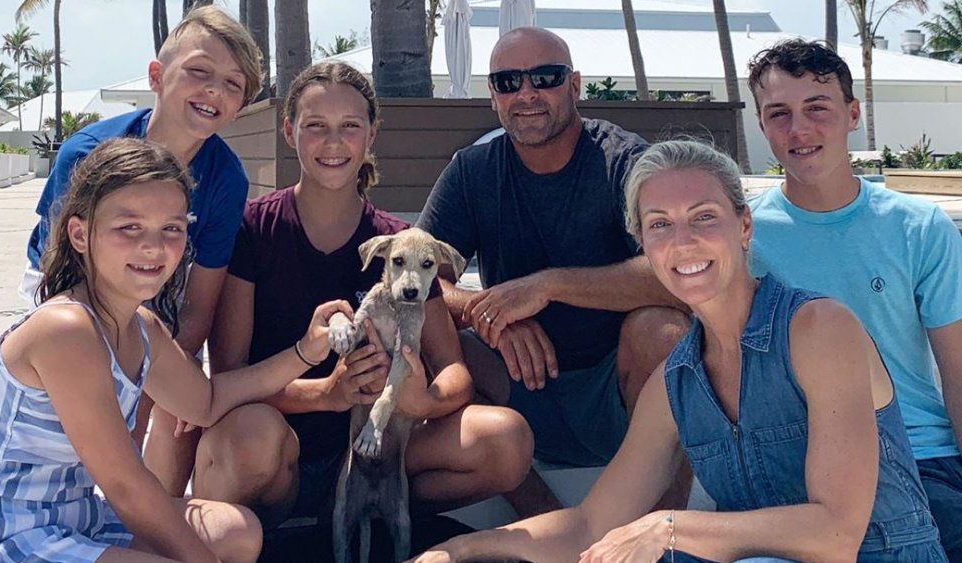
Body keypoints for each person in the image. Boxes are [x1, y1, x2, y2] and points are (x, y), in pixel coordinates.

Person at [409, 139, 948, 563]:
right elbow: (591, 524)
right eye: (660, 225)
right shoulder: (679, 379)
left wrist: (666, 527)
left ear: (744, 227)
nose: (683, 241)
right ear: (641, 243)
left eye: (704, 216)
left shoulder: (818, 329)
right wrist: (462, 549)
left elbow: (835, 535)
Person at [0, 138, 353, 562]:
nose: (153, 246)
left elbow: (206, 403)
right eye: (129, 227)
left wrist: (304, 352)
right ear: (80, 233)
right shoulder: (66, 329)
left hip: (79, 514)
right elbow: (125, 484)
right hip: (4, 528)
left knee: (239, 532)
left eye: (171, 228)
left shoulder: (142, 326)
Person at [176, 61, 533, 526]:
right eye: (315, 126)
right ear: (289, 131)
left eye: (349, 126)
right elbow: (229, 376)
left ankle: (363, 516)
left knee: (507, 441)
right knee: (248, 437)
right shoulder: (253, 229)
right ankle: (238, 542)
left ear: (371, 133)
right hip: (281, 455)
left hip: (380, 451)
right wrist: (327, 393)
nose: (333, 143)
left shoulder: (402, 245)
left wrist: (422, 401)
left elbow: (454, 372)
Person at [415, 26, 690, 506]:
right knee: (447, 340)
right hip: (518, 385)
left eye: (545, 77)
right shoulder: (472, 171)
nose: (527, 94)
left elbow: (678, 273)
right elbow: (419, 281)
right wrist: (494, 316)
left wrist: (548, 286)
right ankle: (546, 527)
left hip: (616, 389)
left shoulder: (623, 162)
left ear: (575, 85)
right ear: (493, 98)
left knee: (663, 331)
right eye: (508, 82)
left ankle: (664, 537)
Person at [19, 5, 264, 488]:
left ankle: (156, 517)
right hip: (67, 300)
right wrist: (114, 367)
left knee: (177, 407)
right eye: (199, 71)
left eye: (233, 84)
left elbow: (198, 305)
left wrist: (154, 388)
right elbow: (52, 274)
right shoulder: (86, 154)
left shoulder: (227, 178)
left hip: (160, 316)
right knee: (82, 422)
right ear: (157, 75)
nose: (214, 90)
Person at [746, 39, 962, 559]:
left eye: (817, 108)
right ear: (761, 123)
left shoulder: (920, 227)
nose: (799, 130)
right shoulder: (740, 236)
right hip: (796, 463)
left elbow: (957, 372)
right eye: (779, 113)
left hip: (918, 457)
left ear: (853, 114)